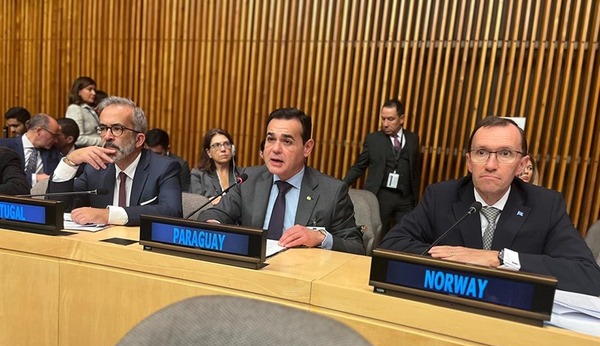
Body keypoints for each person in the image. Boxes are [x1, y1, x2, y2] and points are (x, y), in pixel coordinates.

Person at [379, 116, 600, 295]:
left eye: (505, 153)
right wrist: (453, 259)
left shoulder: (546, 205)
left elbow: (588, 276)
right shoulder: (441, 196)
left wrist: (500, 259)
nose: (491, 165)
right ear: (469, 162)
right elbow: (390, 245)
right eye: (482, 153)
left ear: (521, 165)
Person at [197, 107, 365, 255]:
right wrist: (214, 226)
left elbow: (357, 247)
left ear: (307, 148)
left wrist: (321, 238)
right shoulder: (249, 179)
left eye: (287, 141)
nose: (276, 149)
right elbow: (213, 214)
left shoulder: (331, 191)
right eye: (271, 139)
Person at [47, 96, 182, 226]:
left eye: (117, 129)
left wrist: (109, 215)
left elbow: (172, 211)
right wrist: (69, 162)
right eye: (103, 128)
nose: (107, 136)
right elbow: (59, 207)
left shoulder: (163, 168)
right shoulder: (96, 168)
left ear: (139, 140)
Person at [343, 99, 421, 236]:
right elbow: (359, 166)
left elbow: (415, 170)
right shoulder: (373, 139)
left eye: (390, 119)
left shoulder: (413, 139)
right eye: (383, 119)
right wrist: (342, 186)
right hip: (381, 197)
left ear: (402, 119)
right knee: (378, 235)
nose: (385, 124)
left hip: (405, 198)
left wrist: (415, 197)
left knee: (404, 235)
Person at [0, 113, 62, 187]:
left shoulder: (53, 152)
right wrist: (34, 178)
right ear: (39, 131)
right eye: (53, 135)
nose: (56, 140)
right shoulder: (4, 145)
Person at [190, 128, 241, 203]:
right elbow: (195, 204)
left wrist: (223, 200)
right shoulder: (198, 175)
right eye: (217, 145)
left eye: (226, 144)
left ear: (232, 149)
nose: (223, 149)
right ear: (209, 152)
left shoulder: (241, 175)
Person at [65, 76, 103, 147]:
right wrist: (103, 141)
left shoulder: (89, 108)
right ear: (79, 92)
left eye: (94, 90)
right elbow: (78, 139)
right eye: (89, 89)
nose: (94, 93)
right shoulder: (75, 109)